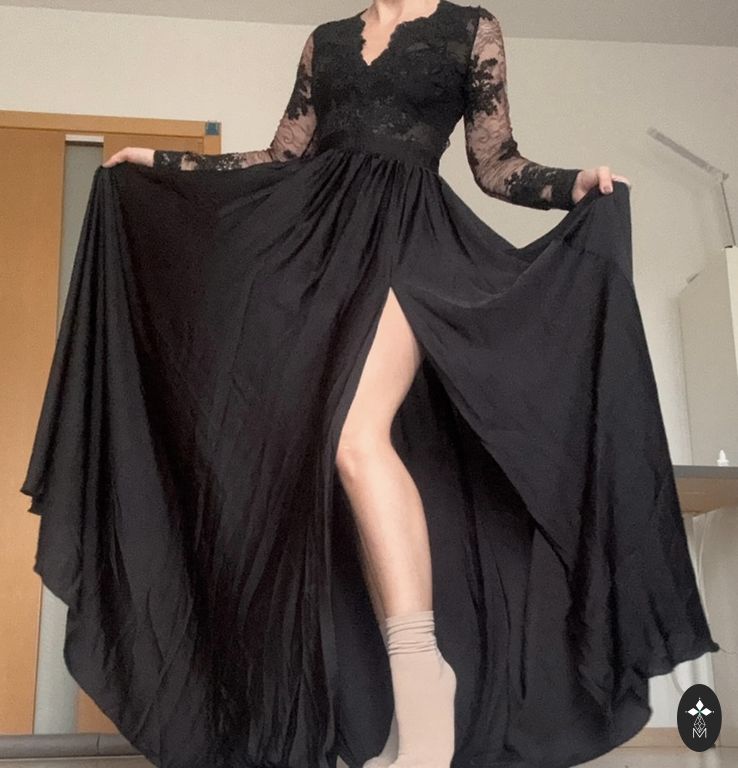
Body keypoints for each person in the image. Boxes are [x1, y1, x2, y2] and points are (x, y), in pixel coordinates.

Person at [24, 2, 717, 768]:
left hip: (409, 237)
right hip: (319, 244)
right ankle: (397, 712)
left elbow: (495, 164)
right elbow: (283, 155)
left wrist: (570, 184)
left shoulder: (470, 28)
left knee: (355, 440)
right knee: (316, 450)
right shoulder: (325, 41)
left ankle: (424, 683)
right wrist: (167, 164)